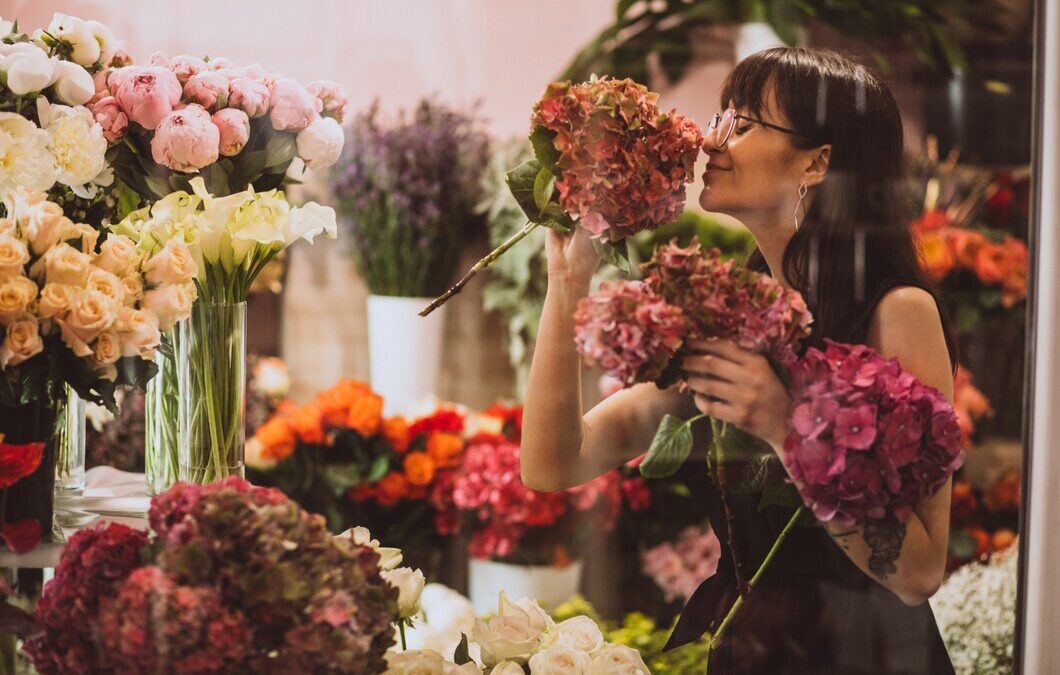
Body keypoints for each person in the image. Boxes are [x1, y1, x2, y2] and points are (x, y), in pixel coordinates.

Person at [521, 47, 958, 674]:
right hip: (751, 651)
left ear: (816, 161)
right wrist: (566, 287)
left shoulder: (898, 312)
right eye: (721, 117)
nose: (708, 139)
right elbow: (553, 463)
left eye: (743, 123)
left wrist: (787, 429)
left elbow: (918, 571)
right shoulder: (724, 319)